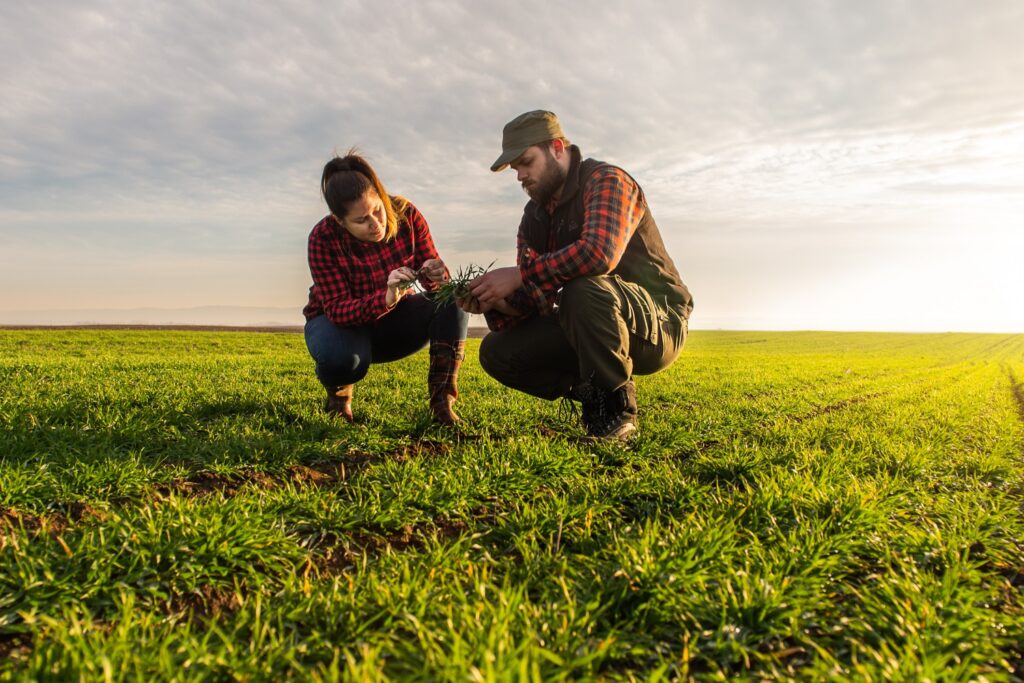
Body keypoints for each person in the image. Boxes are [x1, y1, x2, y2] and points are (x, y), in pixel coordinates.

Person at [458, 111, 693, 440]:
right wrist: (495, 301)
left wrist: (520, 275)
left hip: (657, 323)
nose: (520, 176)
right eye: (515, 169)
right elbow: (533, 301)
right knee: (496, 351)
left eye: (526, 162)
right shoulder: (533, 218)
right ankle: (593, 392)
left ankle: (615, 415)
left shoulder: (607, 181)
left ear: (556, 147)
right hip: (584, 320)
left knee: (583, 288)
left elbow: (598, 254)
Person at [303, 151, 468, 424]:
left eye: (377, 210)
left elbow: (436, 284)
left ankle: (443, 404)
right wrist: (386, 297)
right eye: (361, 220)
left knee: (451, 301)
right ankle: (339, 401)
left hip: (393, 324)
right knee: (343, 358)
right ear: (339, 220)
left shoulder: (407, 215)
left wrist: (437, 273)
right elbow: (337, 310)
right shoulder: (322, 238)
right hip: (339, 325)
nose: (376, 224)